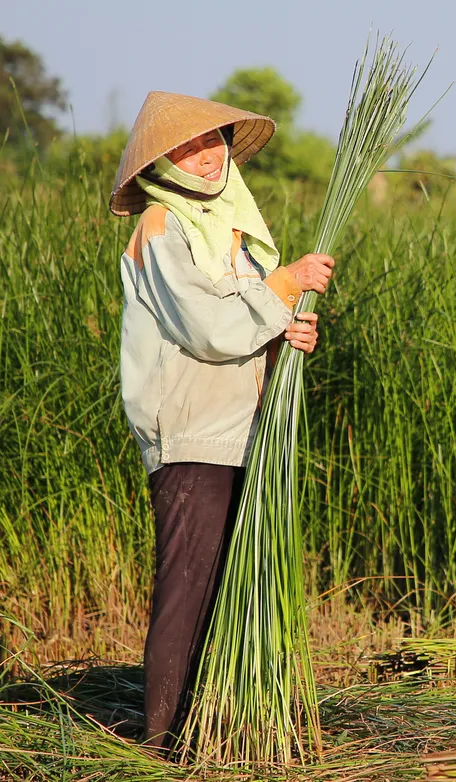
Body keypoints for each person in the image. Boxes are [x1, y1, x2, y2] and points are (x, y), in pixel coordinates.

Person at [109, 91, 336, 751]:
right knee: (188, 586)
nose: (208, 156)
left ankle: (217, 731)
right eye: (189, 145)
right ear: (162, 162)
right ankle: (156, 745)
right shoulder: (162, 224)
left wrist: (287, 335)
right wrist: (285, 286)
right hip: (190, 428)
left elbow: (249, 318)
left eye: (216, 142)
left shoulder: (233, 228)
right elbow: (207, 326)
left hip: (243, 428)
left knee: (231, 587)